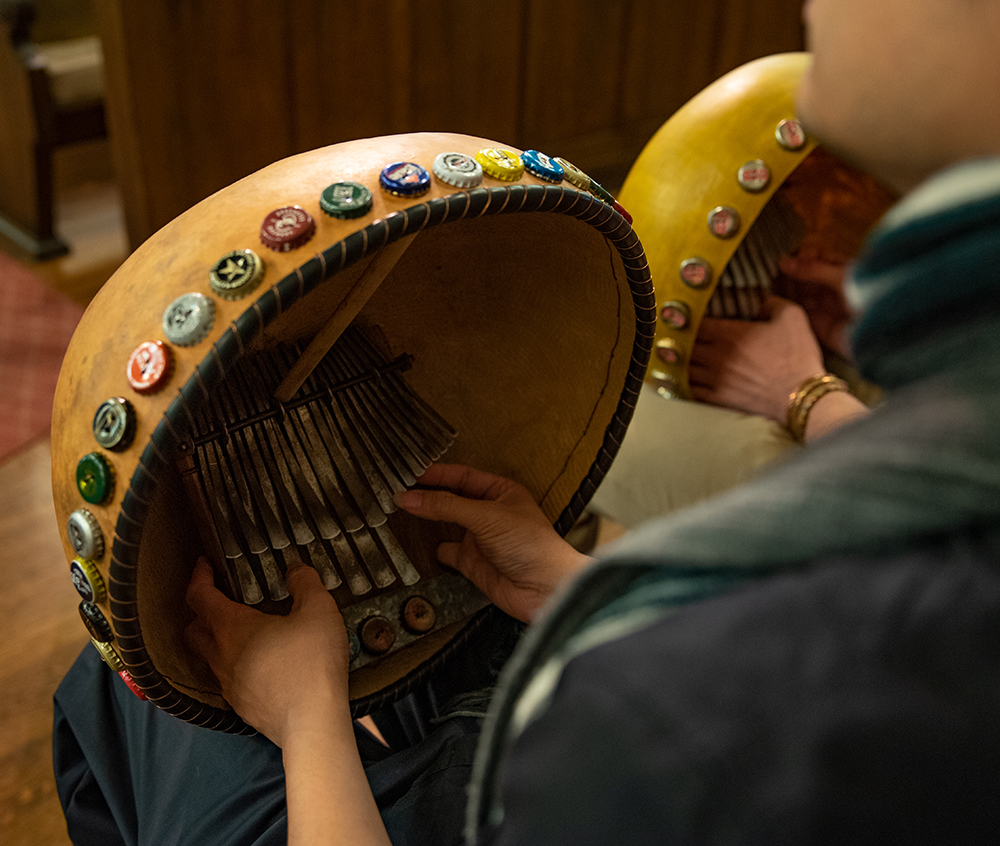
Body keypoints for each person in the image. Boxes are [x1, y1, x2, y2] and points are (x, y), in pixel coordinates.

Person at [55, 0, 1000, 842]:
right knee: (447, 631)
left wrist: (310, 724)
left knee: (130, 692)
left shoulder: (688, 707)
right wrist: (571, 586)